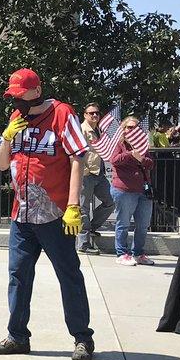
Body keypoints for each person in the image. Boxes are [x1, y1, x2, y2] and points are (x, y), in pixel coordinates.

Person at [0, 68, 96, 360]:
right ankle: (17, 336)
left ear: (36, 91)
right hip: (21, 215)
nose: (16, 100)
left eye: (19, 94)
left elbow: (77, 158)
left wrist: (74, 206)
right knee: (18, 276)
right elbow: (0, 164)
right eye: (12, 95)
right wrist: (7, 139)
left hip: (55, 214)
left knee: (68, 275)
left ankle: (82, 338)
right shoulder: (15, 119)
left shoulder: (62, 113)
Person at [109, 116, 155, 267]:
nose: (131, 130)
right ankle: (121, 253)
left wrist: (141, 157)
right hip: (124, 190)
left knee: (143, 224)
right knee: (123, 223)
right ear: (123, 129)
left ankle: (138, 253)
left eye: (134, 127)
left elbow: (150, 164)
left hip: (143, 190)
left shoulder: (142, 145)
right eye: (128, 127)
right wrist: (130, 154)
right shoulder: (118, 144)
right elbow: (114, 160)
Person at [77, 103, 113, 255]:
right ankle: (83, 244)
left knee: (110, 202)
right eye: (91, 113)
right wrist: (83, 171)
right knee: (83, 209)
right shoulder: (82, 129)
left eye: (97, 113)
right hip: (86, 173)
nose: (94, 116)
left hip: (99, 172)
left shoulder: (99, 129)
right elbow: (77, 151)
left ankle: (92, 227)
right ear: (85, 115)